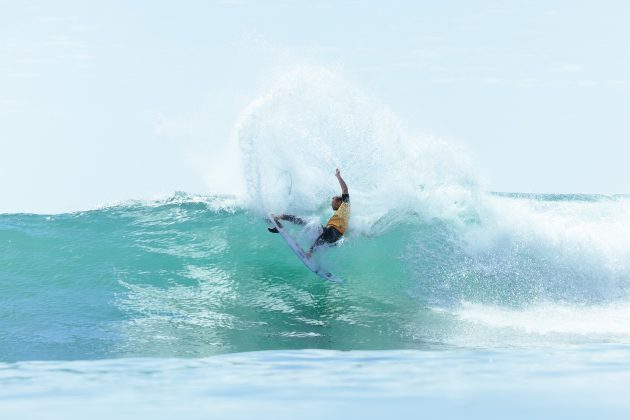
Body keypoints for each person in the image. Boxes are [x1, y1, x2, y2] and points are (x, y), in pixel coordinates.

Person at [269, 168, 350, 258]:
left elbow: (345, 189)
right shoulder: (341, 213)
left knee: (312, 223)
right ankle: (282, 222)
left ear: (339, 201)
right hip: (331, 237)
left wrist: (338, 176)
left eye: (333, 201)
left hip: (333, 234)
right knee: (309, 225)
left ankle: (310, 252)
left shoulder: (345, 206)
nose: (331, 203)